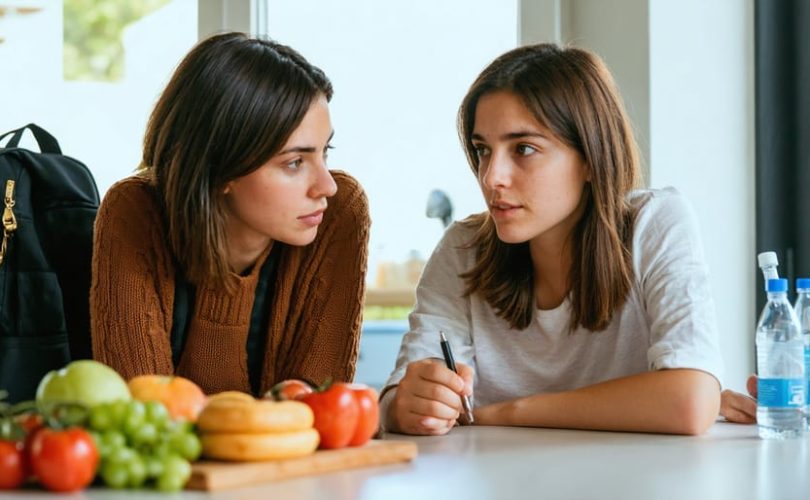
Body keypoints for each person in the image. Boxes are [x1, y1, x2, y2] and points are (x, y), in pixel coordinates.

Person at [381, 43, 724, 436]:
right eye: (482, 150)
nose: (492, 177)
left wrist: (506, 412)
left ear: (592, 159)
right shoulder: (463, 250)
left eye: (523, 148)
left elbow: (690, 402)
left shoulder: (656, 223)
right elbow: (396, 401)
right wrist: (404, 404)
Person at [91, 32, 369, 396]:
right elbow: (148, 417)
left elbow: (320, 414)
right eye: (295, 162)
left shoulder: (338, 214)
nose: (326, 186)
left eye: (325, 151)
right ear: (221, 168)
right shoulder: (135, 213)